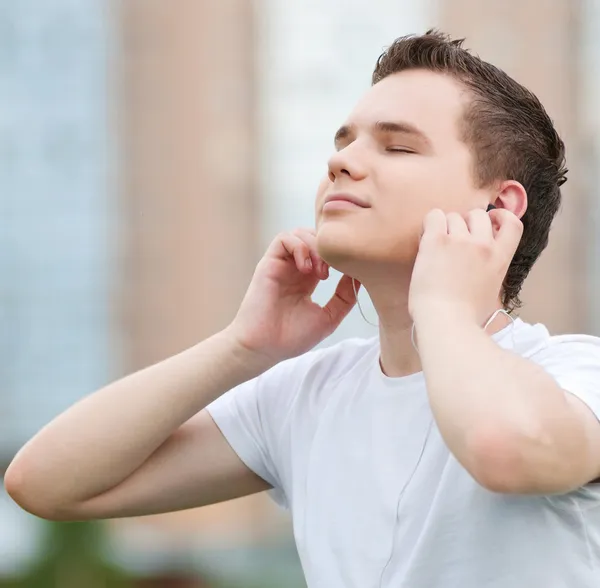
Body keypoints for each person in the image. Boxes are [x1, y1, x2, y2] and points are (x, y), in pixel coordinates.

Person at [5, 30, 600, 587]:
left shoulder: (576, 376)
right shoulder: (307, 396)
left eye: (396, 146)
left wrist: (442, 303)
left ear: (498, 207)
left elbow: (505, 449)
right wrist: (243, 348)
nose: (341, 162)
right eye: (343, 143)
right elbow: (47, 484)